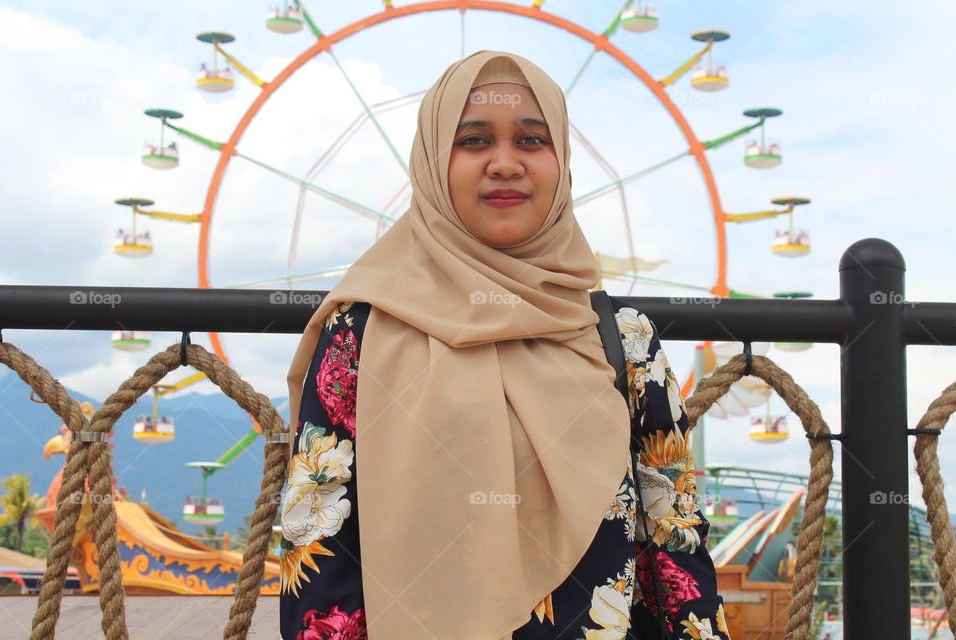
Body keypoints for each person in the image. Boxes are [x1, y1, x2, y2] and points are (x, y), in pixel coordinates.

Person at [282, 50, 730, 640]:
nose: (505, 164)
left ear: (561, 162)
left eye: (531, 140)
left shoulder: (624, 338)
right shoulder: (362, 331)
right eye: (472, 140)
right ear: (431, 162)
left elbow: (674, 540)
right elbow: (321, 535)